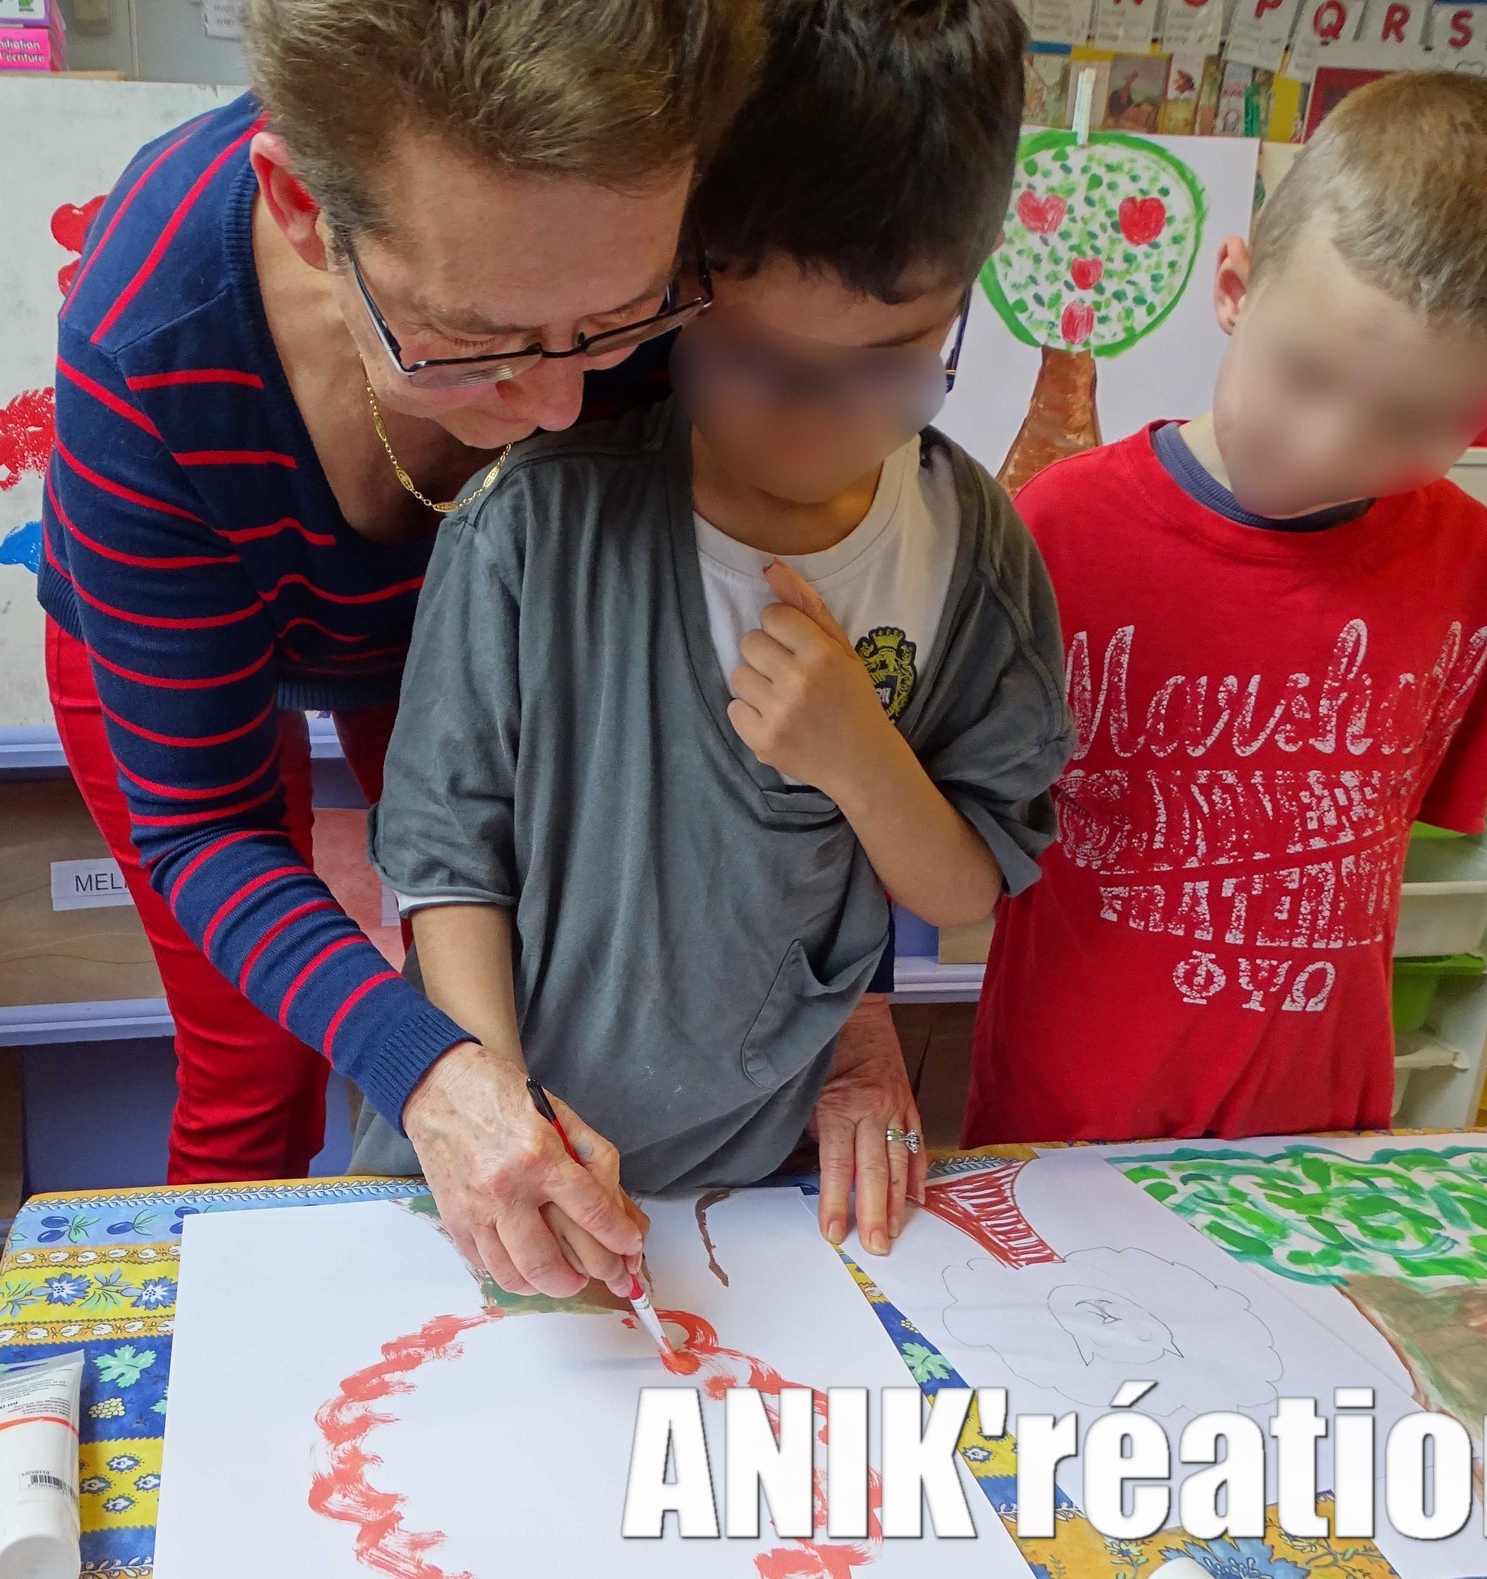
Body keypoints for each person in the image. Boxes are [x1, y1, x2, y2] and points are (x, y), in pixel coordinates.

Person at [357, 0, 1070, 1297]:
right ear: (674, 288)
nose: (811, 425)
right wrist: (504, 1114)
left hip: (751, 1207)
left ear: (962, 305)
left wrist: (861, 756)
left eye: (890, 364)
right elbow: (445, 860)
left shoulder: (973, 554)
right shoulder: (537, 520)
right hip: (479, 1175)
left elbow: (969, 883)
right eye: (752, 356)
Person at [41, 0, 752, 1238]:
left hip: (454, 625)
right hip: (188, 607)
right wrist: (423, 1069)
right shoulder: (147, 340)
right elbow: (203, 826)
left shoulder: (677, 243)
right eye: (474, 336)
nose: (555, 403)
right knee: (254, 1057)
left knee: (533, 980)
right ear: (302, 208)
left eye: (611, 323)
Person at [967, 72, 1487, 1147]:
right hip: (1066, 1129)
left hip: (1318, 1142)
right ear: (1235, 287)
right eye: (1303, 375)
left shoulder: (1476, 575)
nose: (1331, 447)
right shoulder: (1054, 531)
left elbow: (1378, 839)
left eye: (1415, 421)